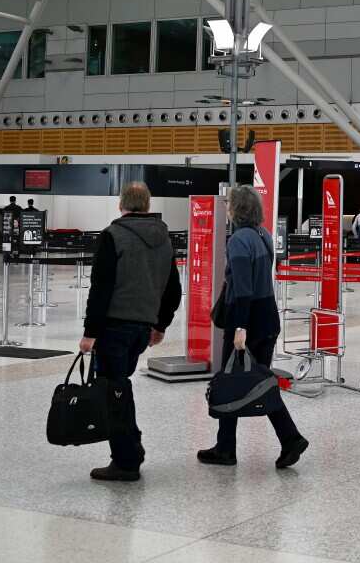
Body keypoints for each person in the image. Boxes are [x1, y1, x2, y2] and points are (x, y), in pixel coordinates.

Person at [198, 185, 309, 469]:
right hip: (268, 318)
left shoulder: (239, 240)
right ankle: (286, 438)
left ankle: (230, 448)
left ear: (237, 210)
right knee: (260, 381)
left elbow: (244, 288)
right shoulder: (264, 236)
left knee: (230, 380)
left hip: (246, 320)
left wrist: (239, 329)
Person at [80, 183, 182, 482]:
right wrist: (160, 325)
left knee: (114, 391)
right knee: (121, 387)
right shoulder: (164, 239)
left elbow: (100, 289)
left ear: (120, 205)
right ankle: (131, 449)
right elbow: (174, 289)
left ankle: (126, 460)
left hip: (113, 327)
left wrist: (90, 332)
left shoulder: (112, 236)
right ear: (148, 205)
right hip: (141, 329)